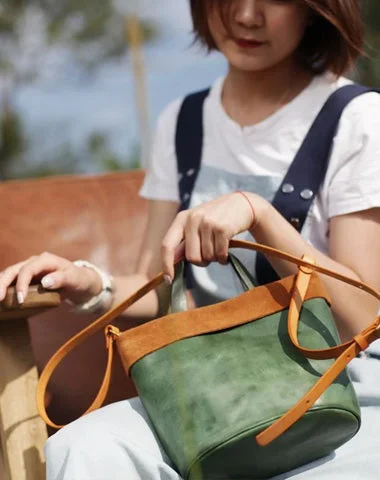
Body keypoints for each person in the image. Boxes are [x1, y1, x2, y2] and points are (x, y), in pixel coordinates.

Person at [1, 0, 380, 478]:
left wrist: (259, 214)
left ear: (313, 10)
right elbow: (157, 287)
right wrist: (86, 281)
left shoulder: (358, 118)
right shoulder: (182, 122)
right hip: (216, 391)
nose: (246, 15)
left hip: (338, 392)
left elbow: (363, 317)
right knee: (83, 450)